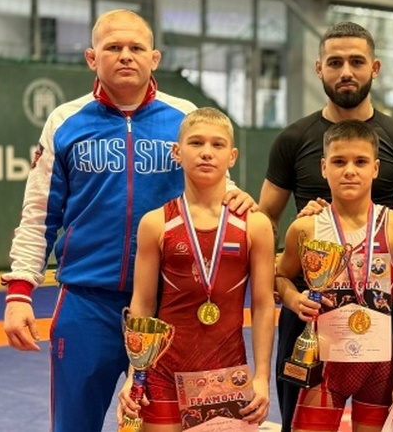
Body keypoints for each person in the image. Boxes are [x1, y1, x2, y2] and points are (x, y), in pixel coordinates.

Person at [0, 10, 254, 432]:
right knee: (73, 425)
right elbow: (39, 214)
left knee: (171, 426)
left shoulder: (184, 116)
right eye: (113, 47)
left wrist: (235, 196)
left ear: (154, 58)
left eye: (136, 47)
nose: (125, 55)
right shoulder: (65, 122)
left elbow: (214, 188)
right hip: (87, 302)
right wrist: (20, 292)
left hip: (172, 305)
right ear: (91, 58)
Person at [257, 21, 393, 431]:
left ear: (375, 67)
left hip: (380, 318)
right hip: (312, 318)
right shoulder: (293, 139)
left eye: (356, 61)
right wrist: (287, 288)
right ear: (319, 68)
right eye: (335, 62)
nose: (346, 71)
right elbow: (265, 221)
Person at [116, 107, 274, 430]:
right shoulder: (156, 223)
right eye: (196, 143)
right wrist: (135, 374)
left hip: (227, 374)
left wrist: (261, 377)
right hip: (163, 373)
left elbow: (262, 305)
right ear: (177, 152)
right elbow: (142, 305)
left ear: (232, 156)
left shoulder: (255, 225)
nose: (206, 152)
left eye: (217, 145)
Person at [275, 119, 393, 431]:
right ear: (324, 167)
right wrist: (293, 298)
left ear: (376, 168)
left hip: (381, 368)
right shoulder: (306, 227)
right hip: (322, 366)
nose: (350, 171)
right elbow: (280, 276)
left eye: (361, 162)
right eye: (339, 162)